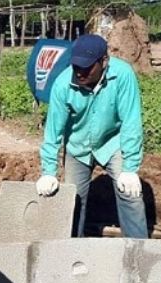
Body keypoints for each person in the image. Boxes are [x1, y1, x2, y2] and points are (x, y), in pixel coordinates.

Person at [35, 34, 148, 238]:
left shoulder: (122, 76)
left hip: (111, 142)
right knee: (73, 200)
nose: (79, 73)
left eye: (87, 67)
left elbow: (131, 121)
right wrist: (48, 171)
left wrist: (130, 168)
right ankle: (72, 249)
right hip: (78, 147)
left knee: (130, 193)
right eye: (76, 66)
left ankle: (139, 251)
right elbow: (53, 132)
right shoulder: (62, 85)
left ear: (104, 61)